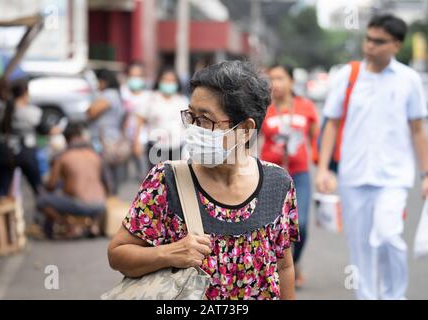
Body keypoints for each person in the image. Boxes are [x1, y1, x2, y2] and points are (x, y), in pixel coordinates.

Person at [108, 61, 299, 300]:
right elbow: (118, 254)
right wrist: (169, 253)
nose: (194, 129)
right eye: (191, 116)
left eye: (205, 120)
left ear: (245, 129)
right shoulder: (167, 181)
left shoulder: (277, 184)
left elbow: (283, 267)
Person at [316, 14, 428, 300]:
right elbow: (331, 122)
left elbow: (417, 130)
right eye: (368, 39)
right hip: (353, 176)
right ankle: (366, 296)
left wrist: (426, 174)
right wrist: (323, 169)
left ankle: (395, 295)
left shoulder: (409, 80)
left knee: (389, 235)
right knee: (361, 246)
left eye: (378, 42)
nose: (370, 46)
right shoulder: (348, 76)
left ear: (396, 45)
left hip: (394, 177)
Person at [260, 63, 319, 287]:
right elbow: (251, 138)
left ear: (292, 81)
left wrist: (321, 168)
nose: (275, 84)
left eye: (280, 78)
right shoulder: (263, 108)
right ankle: (274, 270)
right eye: (271, 79)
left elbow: (316, 139)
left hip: (299, 175)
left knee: (300, 225)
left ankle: (295, 263)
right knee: (269, 225)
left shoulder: (306, 107)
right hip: (270, 176)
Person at [0, 78, 60, 197]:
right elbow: (45, 130)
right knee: (38, 188)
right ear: (25, 93)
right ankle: (44, 210)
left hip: (4, 151)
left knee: (2, 189)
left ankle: (2, 213)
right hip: (26, 152)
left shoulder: (2, 109)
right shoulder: (32, 112)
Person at [37, 123, 107, 238]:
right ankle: (93, 225)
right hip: (100, 204)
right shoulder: (95, 155)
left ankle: (71, 225)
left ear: (66, 139)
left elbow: (51, 185)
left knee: (42, 200)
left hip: (80, 205)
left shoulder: (63, 157)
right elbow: (108, 183)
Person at [132, 66, 188, 170]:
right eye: (165, 80)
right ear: (159, 81)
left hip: (176, 146)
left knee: (174, 179)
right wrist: (137, 142)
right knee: (156, 179)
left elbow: (187, 124)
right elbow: (140, 120)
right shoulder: (150, 99)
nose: (168, 83)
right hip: (156, 147)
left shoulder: (182, 100)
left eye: (172, 80)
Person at [88, 69, 128, 195]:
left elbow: (92, 112)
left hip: (104, 141)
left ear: (104, 81)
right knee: (111, 177)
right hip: (113, 139)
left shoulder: (108, 95)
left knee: (104, 175)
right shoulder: (117, 94)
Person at [121, 62, 151, 182]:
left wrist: (137, 141)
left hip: (142, 140)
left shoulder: (148, 96)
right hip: (123, 140)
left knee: (143, 176)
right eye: (132, 75)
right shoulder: (122, 93)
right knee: (123, 177)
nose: (135, 79)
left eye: (138, 76)